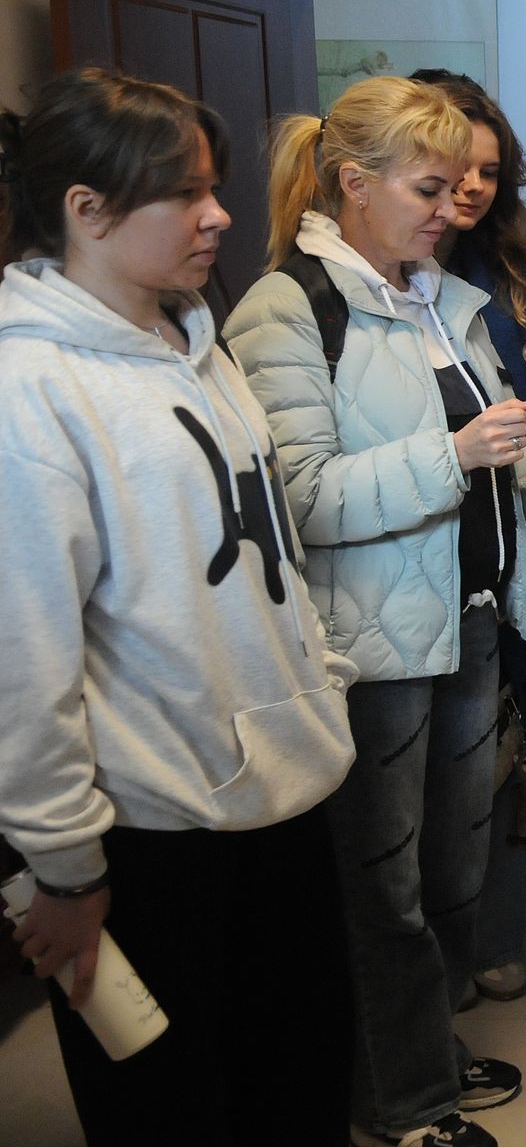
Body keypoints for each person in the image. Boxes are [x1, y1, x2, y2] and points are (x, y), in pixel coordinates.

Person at [225, 75, 526, 1147]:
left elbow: (492, 460)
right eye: (429, 189)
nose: (452, 209)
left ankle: (424, 1052)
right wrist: (455, 453)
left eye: (455, 187)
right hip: (373, 653)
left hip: (467, 625)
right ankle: (401, 1101)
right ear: (355, 183)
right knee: (381, 885)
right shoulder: (287, 310)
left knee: (452, 868)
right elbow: (303, 499)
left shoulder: (435, 297)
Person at [0, 68, 357, 1142]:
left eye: (214, 186)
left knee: (300, 1085)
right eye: (186, 193)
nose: (220, 215)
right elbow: (23, 658)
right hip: (150, 833)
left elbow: (265, 555)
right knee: (171, 1111)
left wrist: (321, 684)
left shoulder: (196, 345)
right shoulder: (30, 391)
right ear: (87, 209)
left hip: (280, 792)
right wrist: (66, 867)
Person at [408, 70, 526, 1013]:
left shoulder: (522, 260)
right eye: (456, 171)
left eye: (490, 170)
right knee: (467, 729)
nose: (474, 188)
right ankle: (469, 912)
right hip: (436, 528)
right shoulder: (389, 278)